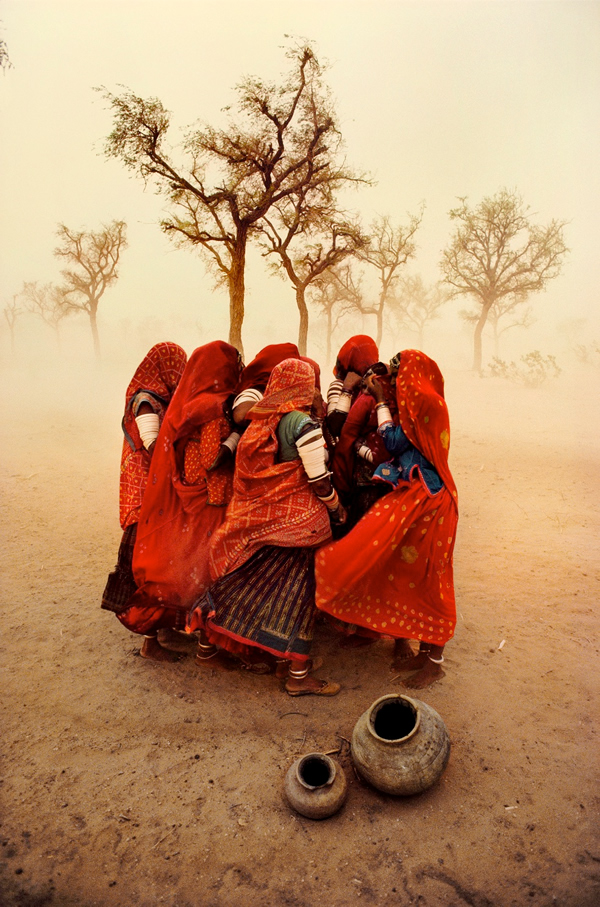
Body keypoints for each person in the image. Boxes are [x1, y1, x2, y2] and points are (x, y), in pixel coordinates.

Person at [188, 358, 344, 695]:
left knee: (245, 586)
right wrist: (336, 507)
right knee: (299, 599)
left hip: (261, 524)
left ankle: (214, 646)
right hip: (299, 529)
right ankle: (297, 677)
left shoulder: (260, 422)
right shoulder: (302, 423)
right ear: (303, 385)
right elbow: (318, 480)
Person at [315, 349, 459, 689]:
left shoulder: (422, 404)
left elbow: (392, 441)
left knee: (430, 580)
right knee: (412, 574)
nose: (393, 381)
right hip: (422, 495)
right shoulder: (428, 401)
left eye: (397, 375)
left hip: (429, 501)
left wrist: (380, 400)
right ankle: (425, 653)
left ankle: (434, 661)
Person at [116, 341, 243, 660]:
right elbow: (163, 449)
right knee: (181, 565)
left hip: (173, 489)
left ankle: (169, 630)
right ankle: (169, 636)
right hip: (161, 488)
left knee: (168, 560)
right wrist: (235, 436)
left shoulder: (183, 403)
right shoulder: (153, 402)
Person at [101, 342, 187, 660]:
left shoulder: (157, 399)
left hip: (152, 490)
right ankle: (149, 641)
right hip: (146, 494)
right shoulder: (146, 402)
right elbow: (154, 447)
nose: (180, 373)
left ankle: (160, 628)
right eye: (176, 366)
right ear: (163, 367)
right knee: (148, 568)